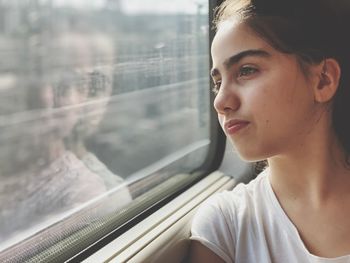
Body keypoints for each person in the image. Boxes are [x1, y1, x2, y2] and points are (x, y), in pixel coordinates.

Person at [189, 0, 350, 262]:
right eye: (217, 83)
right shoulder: (225, 227)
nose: (220, 102)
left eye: (246, 70)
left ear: (323, 79)